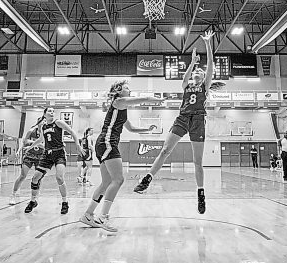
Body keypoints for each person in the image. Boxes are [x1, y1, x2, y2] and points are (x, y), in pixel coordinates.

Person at [133, 31, 222, 215]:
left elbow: (211, 64)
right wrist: (192, 63)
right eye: (195, 72)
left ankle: (200, 193)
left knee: (197, 161)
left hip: (198, 119)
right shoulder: (186, 85)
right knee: (165, 150)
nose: (197, 72)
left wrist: (207, 44)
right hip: (182, 118)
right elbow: (185, 77)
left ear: (204, 76)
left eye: (199, 71)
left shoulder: (205, 86)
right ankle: (147, 179)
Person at [80, 80, 163, 232]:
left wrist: (147, 129)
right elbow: (141, 100)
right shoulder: (118, 101)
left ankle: (88, 214)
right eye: (126, 87)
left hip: (104, 143)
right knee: (118, 179)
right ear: (118, 91)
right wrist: (156, 99)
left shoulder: (121, 109)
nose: (129, 90)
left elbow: (131, 129)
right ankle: (102, 216)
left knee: (106, 183)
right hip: (107, 142)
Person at [24, 107, 79, 215]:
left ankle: (64, 202)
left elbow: (72, 131)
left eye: (53, 111)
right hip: (47, 154)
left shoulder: (58, 122)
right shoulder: (42, 126)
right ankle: (33, 201)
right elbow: (41, 140)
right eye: (49, 111)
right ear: (44, 114)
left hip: (59, 153)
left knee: (59, 177)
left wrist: (77, 144)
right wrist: (29, 147)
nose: (52, 112)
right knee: (35, 178)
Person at [9, 117, 45, 205]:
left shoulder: (46, 133)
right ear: (39, 122)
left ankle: (34, 197)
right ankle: (13, 195)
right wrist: (18, 151)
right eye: (43, 121)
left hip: (40, 157)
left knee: (38, 178)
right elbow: (24, 142)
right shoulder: (31, 131)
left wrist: (38, 144)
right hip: (29, 156)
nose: (45, 122)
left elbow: (45, 146)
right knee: (22, 176)